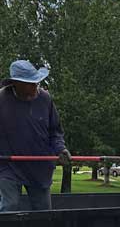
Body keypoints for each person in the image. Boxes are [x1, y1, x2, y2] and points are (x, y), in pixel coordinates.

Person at [0, 60, 71, 212]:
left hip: (39, 166)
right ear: (15, 83)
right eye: (30, 83)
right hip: (8, 166)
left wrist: (61, 149)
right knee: (10, 206)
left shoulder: (45, 99)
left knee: (43, 211)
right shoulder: (2, 99)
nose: (35, 86)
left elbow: (55, 131)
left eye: (36, 82)